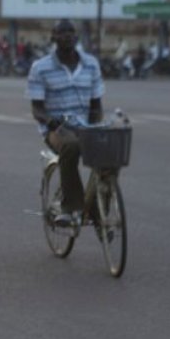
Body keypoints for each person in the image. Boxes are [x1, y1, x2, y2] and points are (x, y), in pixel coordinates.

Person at [26, 19, 105, 226]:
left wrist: (98, 127)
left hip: (85, 126)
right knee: (71, 146)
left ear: (76, 37)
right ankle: (71, 208)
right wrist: (52, 123)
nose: (67, 35)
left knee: (109, 151)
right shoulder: (40, 67)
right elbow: (37, 108)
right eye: (62, 32)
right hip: (56, 128)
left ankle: (98, 208)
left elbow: (96, 105)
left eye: (71, 32)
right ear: (53, 37)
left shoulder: (91, 64)